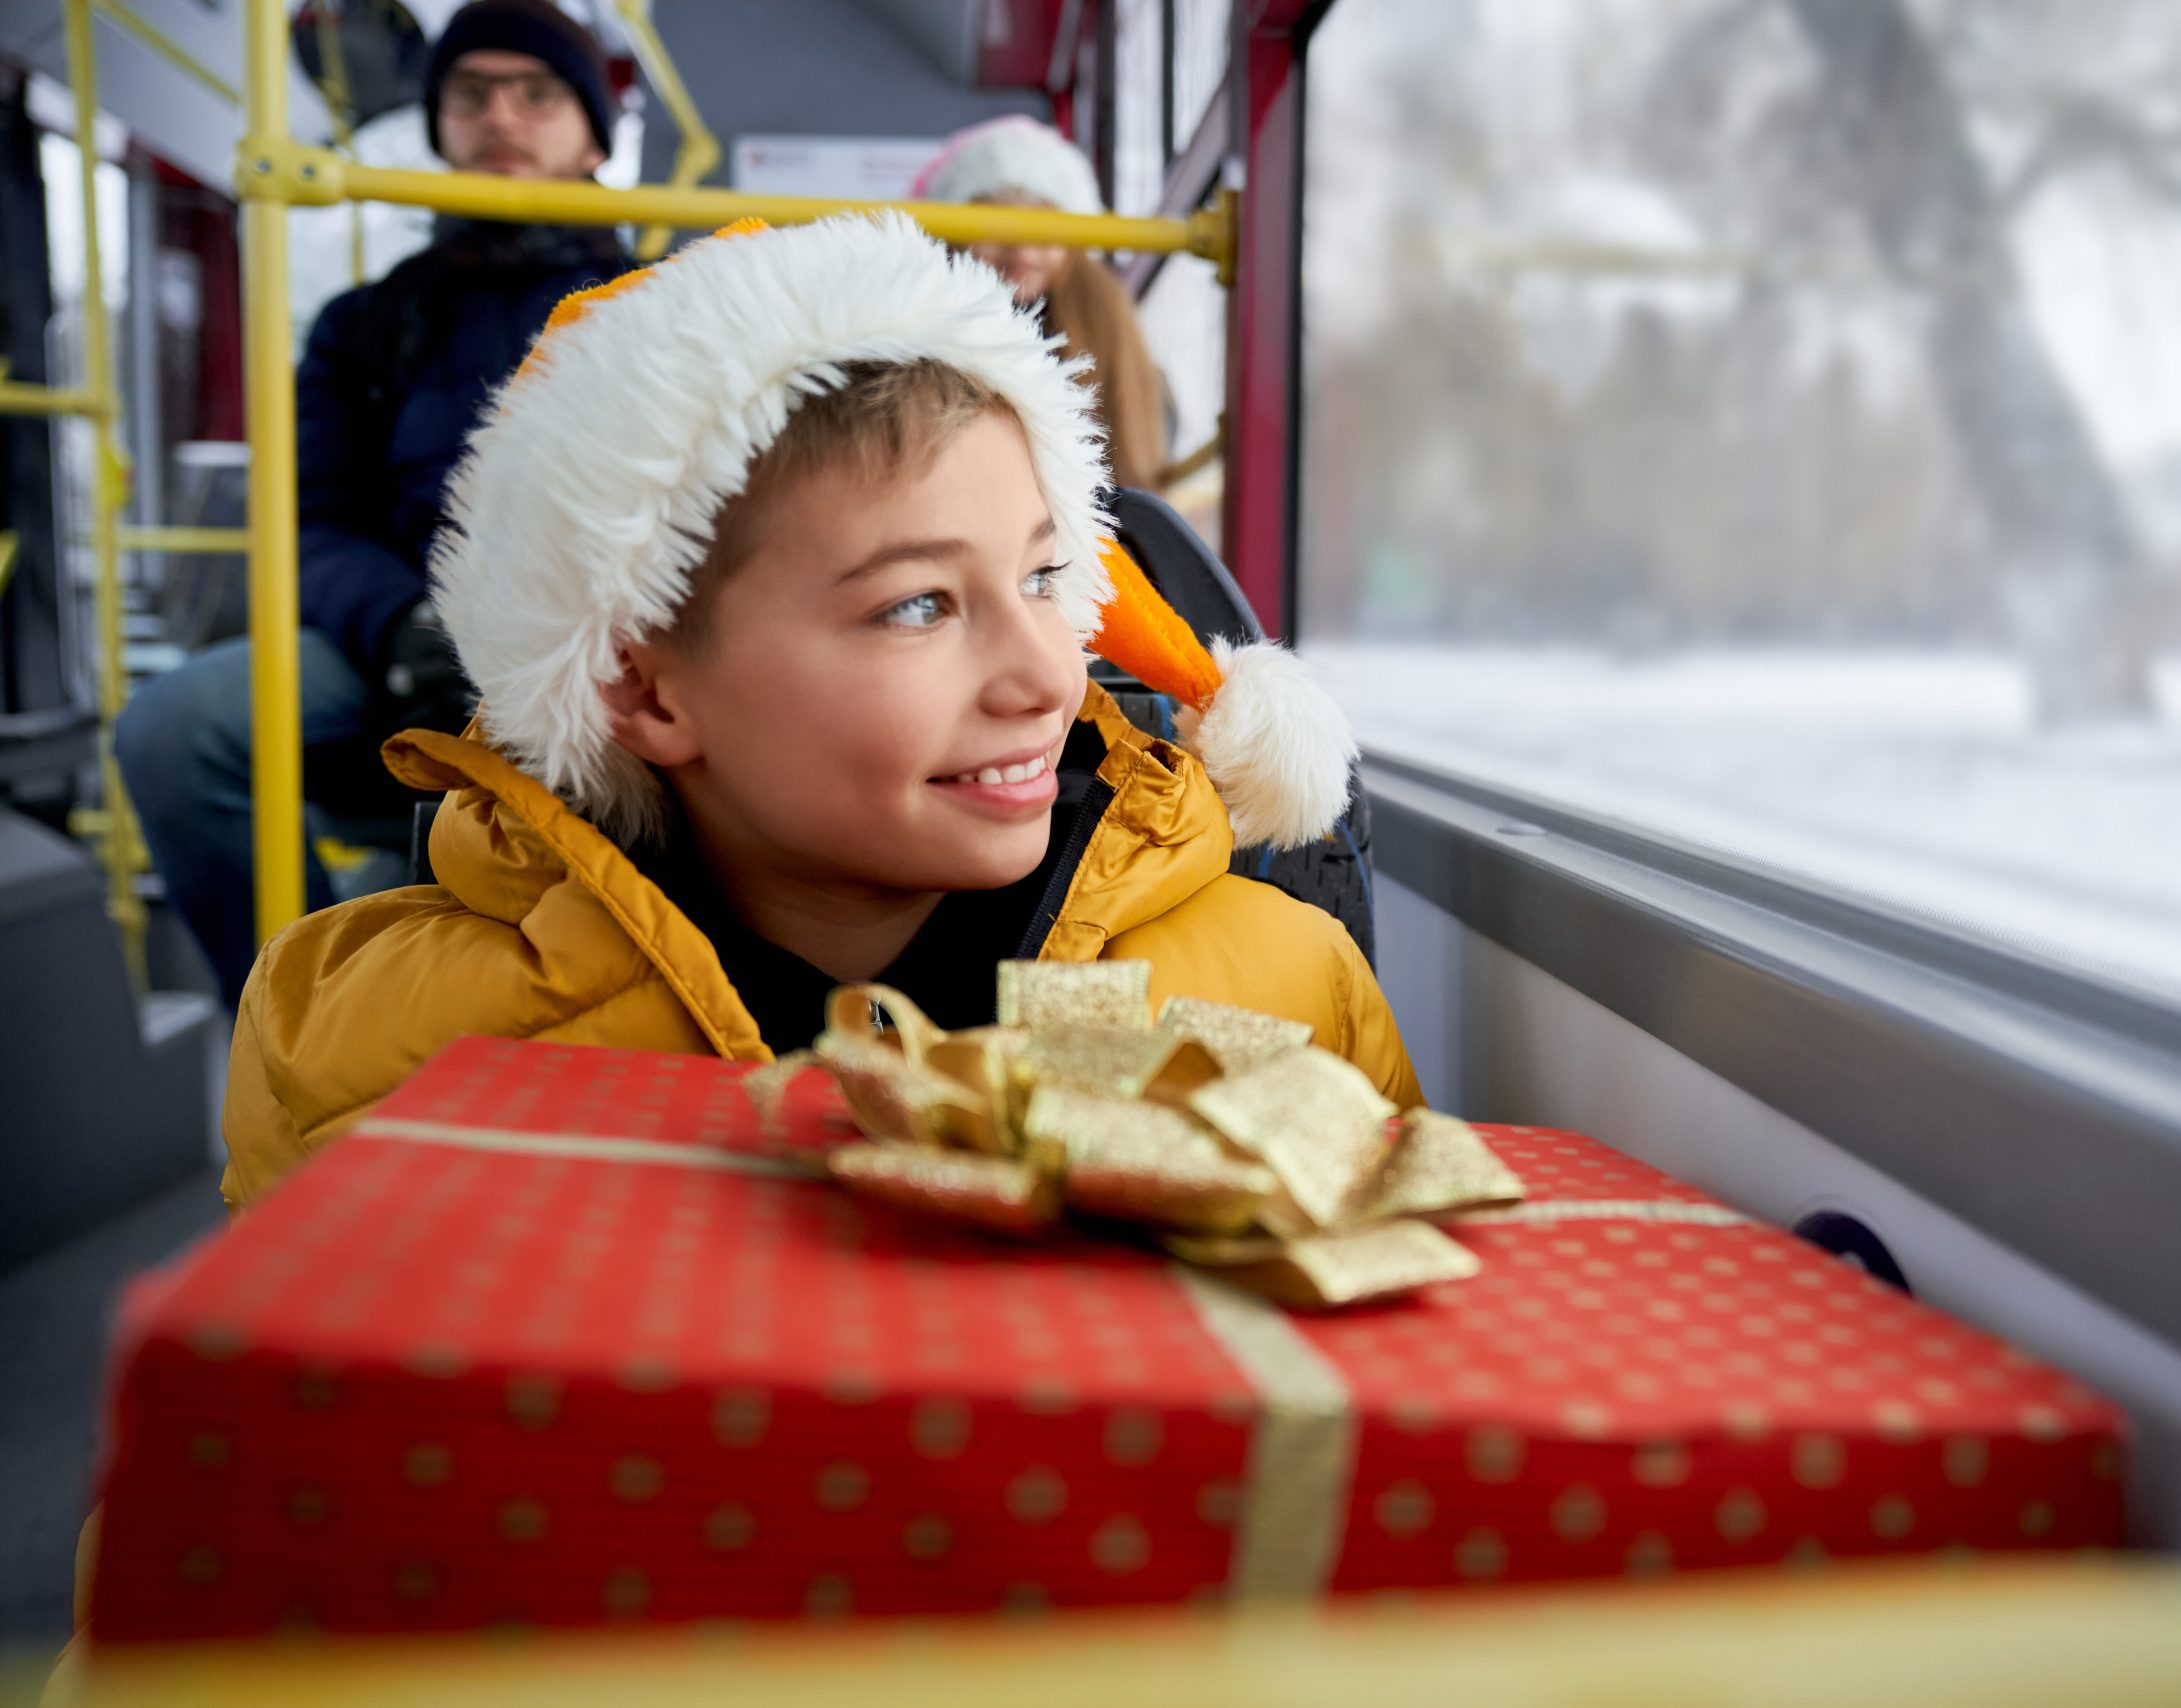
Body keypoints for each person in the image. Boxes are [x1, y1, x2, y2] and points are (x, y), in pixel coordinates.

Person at [218, 212, 1417, 1210]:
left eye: (1046, 579)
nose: (1052, 677)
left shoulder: (1279, 983)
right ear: (639, 685)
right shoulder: (366, 1050)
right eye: (917, 607)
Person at [113, 0, 634, 1004]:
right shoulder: (368, 322)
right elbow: (314, 517)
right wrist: (404, 625)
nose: (502, 117)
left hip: (586, 657)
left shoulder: (662, 296)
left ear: (589, 136)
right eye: (473, 93)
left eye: (537, 93)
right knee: (175, 732)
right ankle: (292, 1008)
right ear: (439, 124)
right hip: (401, 641)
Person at [914, 116, 1168, 492]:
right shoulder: (923, 320)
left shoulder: (1103, 321)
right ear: (954, 235)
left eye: (1045, 227)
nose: (1023, 247)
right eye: (994, 224)